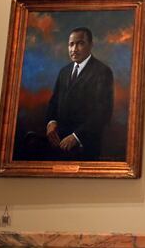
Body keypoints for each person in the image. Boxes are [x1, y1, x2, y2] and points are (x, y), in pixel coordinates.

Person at [44, 27, 114, 160]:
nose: (74, 49)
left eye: (80, 43)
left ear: (91, 45)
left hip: (86, 146)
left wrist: (76, 136)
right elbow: (54, 102)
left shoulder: (102, 72)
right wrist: (51, 122)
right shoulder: (64, 72)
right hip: (59, 142)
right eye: (71, 44)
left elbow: (103, 113)